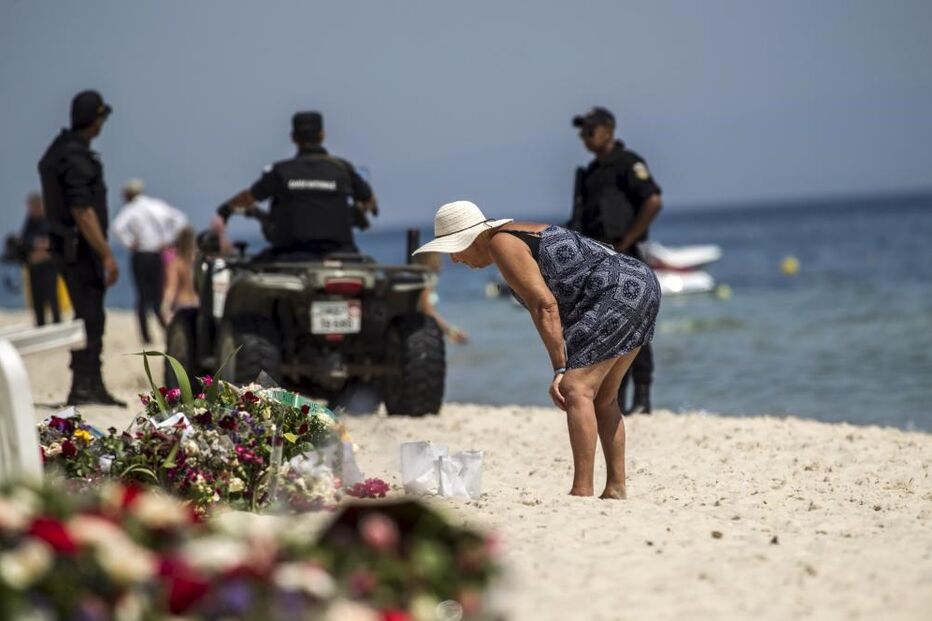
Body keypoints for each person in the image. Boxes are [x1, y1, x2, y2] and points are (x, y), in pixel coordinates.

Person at [414, 201, 661, 499]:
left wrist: (560, 369)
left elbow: (544, 306)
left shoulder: (502, 243)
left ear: (471, 237)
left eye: (454, 248)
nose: (453, 259)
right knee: (604, 398)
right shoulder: (515, 231)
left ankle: (582, 490)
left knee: (575, 389)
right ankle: (615, 487)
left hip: (615, 290)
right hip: (641, 281)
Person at [569, 106, 663, 415]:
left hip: (626, 256)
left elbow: (652, 200)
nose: (585, 138)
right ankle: (615, 399)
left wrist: (628, 239)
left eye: (590, 131)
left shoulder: (627, 163)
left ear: (608, 130)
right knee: (605, 328)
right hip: (597, 260)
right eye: (582, 133)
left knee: (634, 325)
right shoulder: (590, 173)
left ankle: (643, 398)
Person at [37, 89, 125, 406]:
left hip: (67, 247)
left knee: (86, 315)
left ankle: (89, 383)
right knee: (90, 317)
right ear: (95, 120)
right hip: (80, 249)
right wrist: (107, 254)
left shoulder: (59, 150)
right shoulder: (75, 157)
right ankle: (85, 386)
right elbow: (82, 211)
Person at [215, 111, 377, 257]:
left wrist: (225, 210)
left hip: (290, 255)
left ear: (293, 137)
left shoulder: (280, 171)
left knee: (246, 276)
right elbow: (369, 200)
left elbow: (249, 197)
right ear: (322, 136)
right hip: (342, 254)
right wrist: (357, 212)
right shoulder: (343, 169)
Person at [110, 178, 188, 343]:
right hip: (157, 254)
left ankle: (146, 336)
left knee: (142, 296)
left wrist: (129, 242)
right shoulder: (157, 205)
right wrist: (168, 239)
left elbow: (117, 227)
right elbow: (180, 219)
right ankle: (165, 330)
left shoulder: (131, 208)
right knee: (158, 292)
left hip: (141, 255)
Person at [20, 192, 61, 326]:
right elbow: (24, 241)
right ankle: (40, 323)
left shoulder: (49, 219)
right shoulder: (30, 222)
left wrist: (44, 246)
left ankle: (56, 321)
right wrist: (35, 245)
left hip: (49, 264)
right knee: (37, 297)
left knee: (52, 294)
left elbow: (57, 239)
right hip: (35, 265)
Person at [412, 252, 469, 344]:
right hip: (423, 334)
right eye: (439, 259)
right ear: (431, 261)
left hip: (420, 331)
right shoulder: (427, 279)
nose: (441, 262)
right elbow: (427, 310)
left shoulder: (420, 278)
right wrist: (452, 331)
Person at [161, 226, 199, 323]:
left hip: (182, 305)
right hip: (198, 304)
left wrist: (165, 308)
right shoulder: (200, 263)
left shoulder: (176, 264)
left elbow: (171, 287)